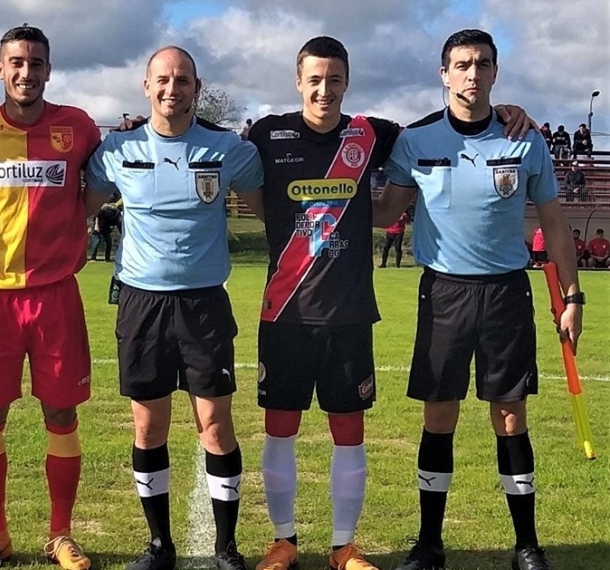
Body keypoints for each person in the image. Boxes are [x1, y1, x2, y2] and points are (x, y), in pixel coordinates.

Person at [247, 36, 533, 570]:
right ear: (298, 80)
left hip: (350, 313)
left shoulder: (371, 133)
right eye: (315, 79)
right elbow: (234, 170)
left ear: (347, 83)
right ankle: (283, 542)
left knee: (349, 433)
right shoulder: (267, 133)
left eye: (335, 79)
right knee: (280, 428)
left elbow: (443, 125)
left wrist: (503, 111)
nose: (324, 89)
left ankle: (344, 547)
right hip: (284, 310)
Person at [374, 29, 582, 570]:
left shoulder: (524, 139)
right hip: (444, 293)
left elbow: (556, 223)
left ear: (495, 72)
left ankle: (526, 545)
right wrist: (321, 191)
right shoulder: (416, 141)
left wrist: (573, 296)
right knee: (439, 415)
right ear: (444, 74)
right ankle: (429, 544)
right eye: (462, 64)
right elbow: (383, 212)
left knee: (510, 418)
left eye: (482, 63)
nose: (472, 73)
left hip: (506, 293)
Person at [84, 46, 265, 570]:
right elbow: (75, 209)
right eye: (162, 79)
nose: (172, 88)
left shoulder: (228, 149)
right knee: (148, 429)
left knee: (216, 426)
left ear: (196, 88)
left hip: (204, 304)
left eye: (182, 80)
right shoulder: (116, 149)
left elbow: (271, 213)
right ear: (146, 86)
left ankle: (225, 547)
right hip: (141, 303)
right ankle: (159, 545)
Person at [0, 25, 101, 570]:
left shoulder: (78, 127)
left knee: (61, 412)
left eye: (35, 63)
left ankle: (60, 535)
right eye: (16, 63)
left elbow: (101, 185)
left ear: (48, 70)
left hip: (56, 295)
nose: (26, 72)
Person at [89, 194, 121, 261]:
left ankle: (107, 258)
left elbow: (114, 220)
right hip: (98, 224)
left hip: (105, 226)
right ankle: (92, 258)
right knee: (96, 241)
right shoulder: (103, 208)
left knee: (108, 241)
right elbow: (97, 215)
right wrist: (96, 225)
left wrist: (111, 227)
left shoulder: (114, 211)